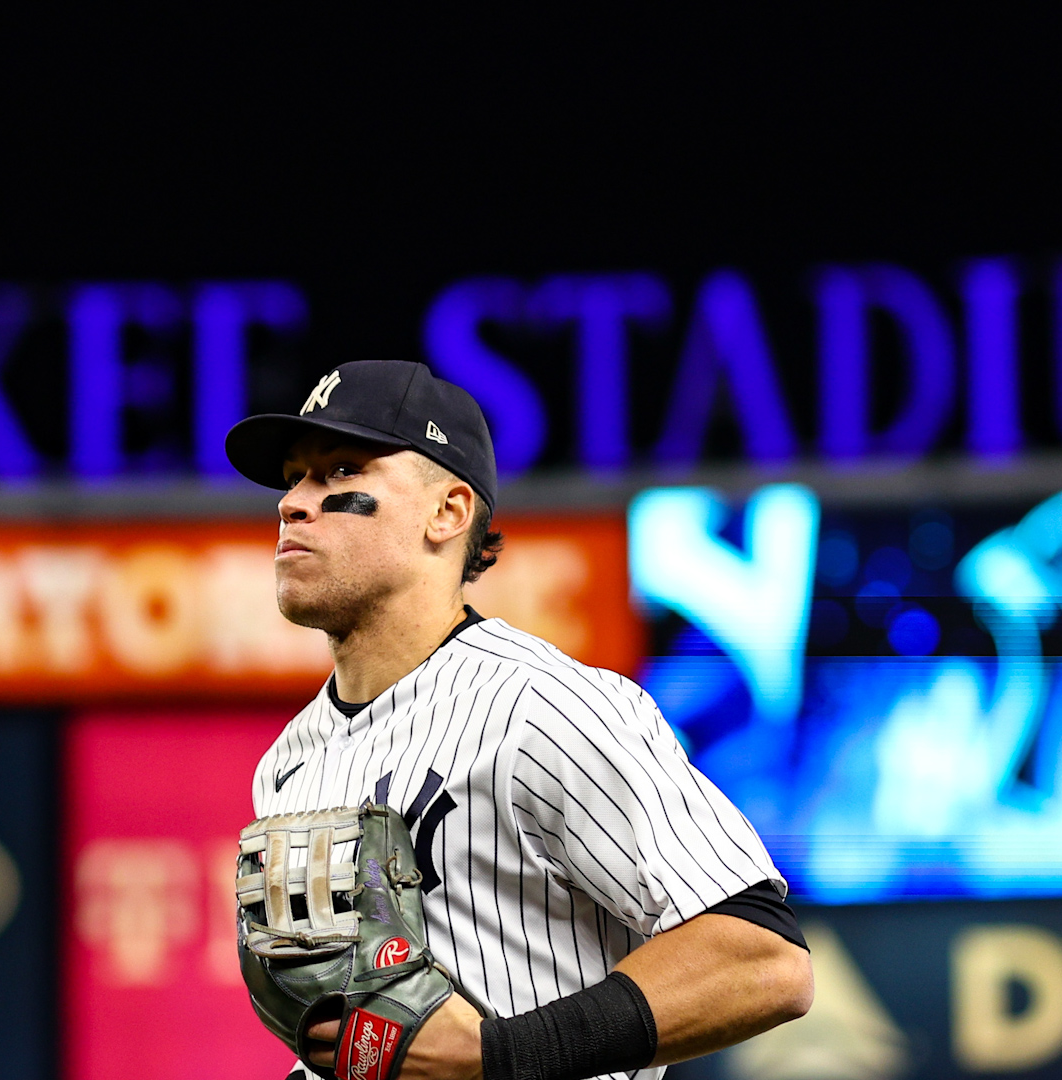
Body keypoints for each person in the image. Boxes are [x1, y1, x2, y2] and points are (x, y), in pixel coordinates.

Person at [225, 361, 813, 1080]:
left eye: (340, 471)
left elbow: (764, 960)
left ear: (448, 511)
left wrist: (499, 1054)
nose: (293, 504)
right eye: (292, 479)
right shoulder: (289, 762)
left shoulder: (542, 706)